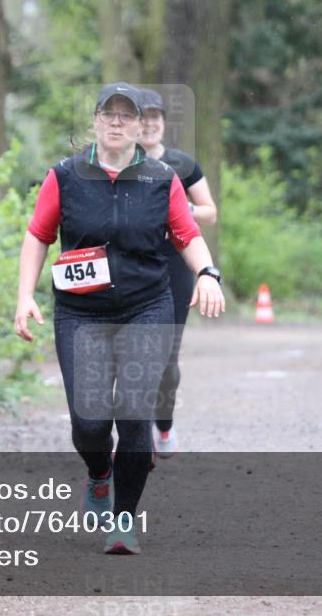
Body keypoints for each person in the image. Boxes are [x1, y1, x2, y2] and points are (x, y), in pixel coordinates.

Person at [13, 82, 225, 555]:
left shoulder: (160, 178)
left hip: (146, 306)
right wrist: (24, 296)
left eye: (126, 116)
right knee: (89, 423)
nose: (116, 121)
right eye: (108, 113)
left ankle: (124, 519)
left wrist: (208, 274)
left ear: (138, 126)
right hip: (80, 312)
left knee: (133, 412)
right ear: (95, 120)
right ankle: (99, 473)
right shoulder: (65, 175)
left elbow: (188, 235)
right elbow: (38, 236)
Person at [138, 88, 219, 458]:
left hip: (175, 268)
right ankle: (132, 437)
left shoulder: (182, 164)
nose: (150, 124)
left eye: (156, 117)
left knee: (166, 359)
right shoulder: (120, 163)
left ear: (164, 123)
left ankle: (164, 425)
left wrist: (177, 207)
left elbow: (210, 212)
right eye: (144, 117)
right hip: (133, 267)